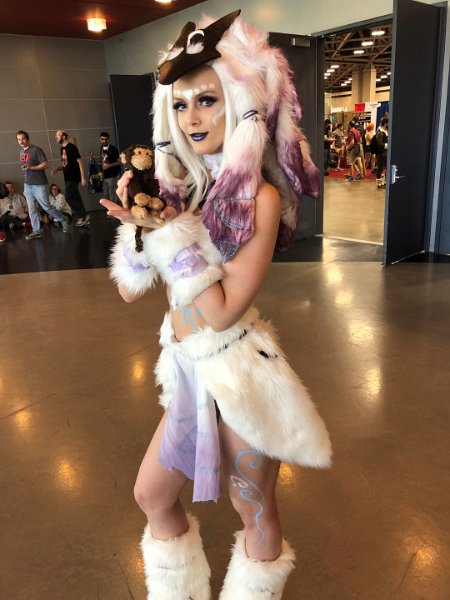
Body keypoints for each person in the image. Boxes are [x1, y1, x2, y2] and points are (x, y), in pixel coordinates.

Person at [102, 10, 332, 600]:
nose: (192, 117)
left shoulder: (260, 197)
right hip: (187, 371)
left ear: (241, 103)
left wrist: (167, 233)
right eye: (180, 105)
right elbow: (128, 287)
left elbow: (223, 309)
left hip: (238, 372)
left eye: (206, 99)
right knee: (152, 494)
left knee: (253, 507)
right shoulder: (181, 191)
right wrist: (142, 223)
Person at [16, 130, 69, 240]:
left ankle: (63, 219)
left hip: (39, 184)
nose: (21, 141)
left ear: (27, 139)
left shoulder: (36, 150)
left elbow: (45, 164)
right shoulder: (21, 152)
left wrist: (31, 168)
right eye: (19, 139)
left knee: (46, 206)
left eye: (23, 139)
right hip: (28, 185)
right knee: (31, 209)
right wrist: (27, 170)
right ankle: (37, 231)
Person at [51, 130, 90, 226]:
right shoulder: (62, 148)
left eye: (58, 135)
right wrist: (57, 169)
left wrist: (83, 177)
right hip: (67, 176)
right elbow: (65, 164)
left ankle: (82, 216)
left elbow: (80, 161)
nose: (56, 137)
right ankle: (84, 216)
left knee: (68, 197)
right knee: (76, 197)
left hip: (74, 176)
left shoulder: (71, 147)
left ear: (64, 137)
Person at [97, 132, 121, 202]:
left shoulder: (113, 149)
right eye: (102, 139)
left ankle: (115, 208)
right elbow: (103, 160)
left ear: (108, 139)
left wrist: (109, 166)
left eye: (106, 139)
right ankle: (109, 208)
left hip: (112, 175)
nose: (104, 141)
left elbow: (119, 162)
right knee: (105, 195)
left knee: (112, 195)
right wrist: (95, 159)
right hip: (104, 175)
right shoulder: (101, 147)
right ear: (100, 139)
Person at [375, 117, 389, 188]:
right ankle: (379, 184)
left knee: (387, 168)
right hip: (381, 154)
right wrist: (388, 145)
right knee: (380, 169)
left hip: (386, 153)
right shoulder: (380, 132)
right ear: (385, 123)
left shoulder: (386, 131)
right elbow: (379, 144)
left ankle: (385, 182)